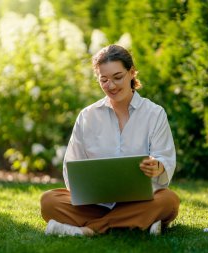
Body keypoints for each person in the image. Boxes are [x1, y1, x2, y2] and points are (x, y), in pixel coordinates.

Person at [40, 44, 180, 236]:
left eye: (117, 77)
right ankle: (139, 222)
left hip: (142, 201)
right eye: (104, 80)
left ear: (131, 73)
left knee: (168, 201)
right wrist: (86, 188)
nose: (111, 86)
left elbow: (164, 158)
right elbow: (71, 167)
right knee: (49, 201)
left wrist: (158, 166)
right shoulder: (87, 116)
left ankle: (89, 229)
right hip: (96, 204)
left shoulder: (154, 114)